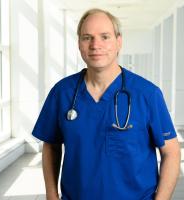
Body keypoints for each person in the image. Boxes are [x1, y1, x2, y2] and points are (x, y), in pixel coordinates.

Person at [32, 8, 181, 200]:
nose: (95, 45)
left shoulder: (147, 94)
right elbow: (51, 146)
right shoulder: (62, 93)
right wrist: (51, 196)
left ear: (119, 41)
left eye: (105, 37)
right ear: (79, 43)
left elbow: (171, 152)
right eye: (87, 37)